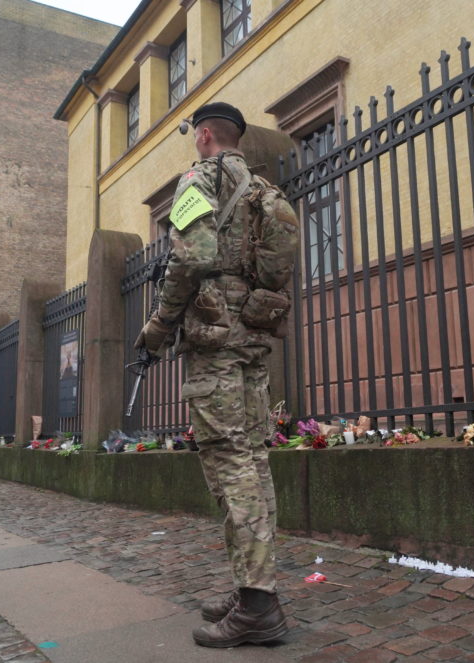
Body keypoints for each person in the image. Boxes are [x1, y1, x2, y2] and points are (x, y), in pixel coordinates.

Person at [134, 101, 298, 648]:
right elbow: (276, 268)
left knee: (230, 464)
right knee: (252, 458)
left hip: (214, 341)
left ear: (203, 135)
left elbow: (193, 255)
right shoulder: (263, 191)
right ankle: (253, 585)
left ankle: (258, 605)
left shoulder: (196, 181)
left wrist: (159, 324)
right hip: (251, 341)